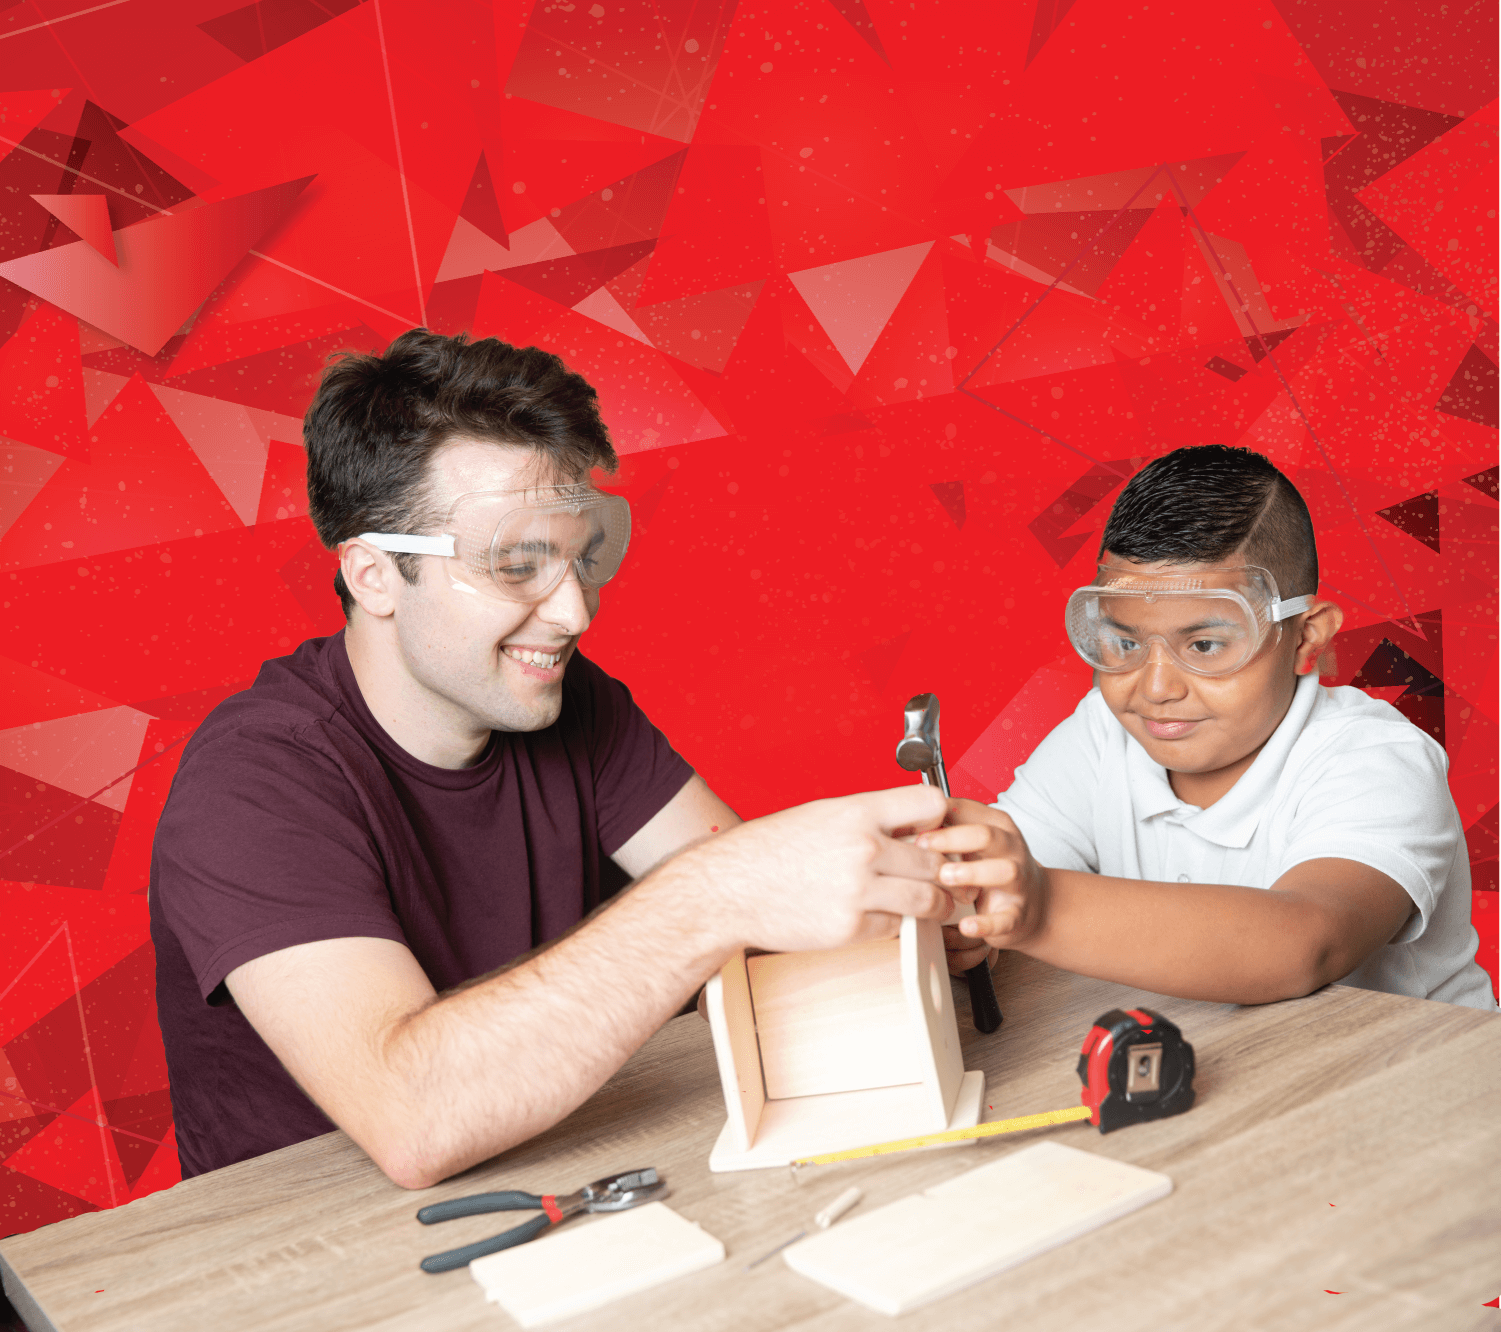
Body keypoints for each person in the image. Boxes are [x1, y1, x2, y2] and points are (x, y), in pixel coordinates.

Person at [150, 330, 959, 1190]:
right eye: (515, 566)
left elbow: (765, 943)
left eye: (579, 557)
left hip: (567, 1176)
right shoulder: (249, 785)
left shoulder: (568, 701)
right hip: (313, 1246)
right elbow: (415, 1116)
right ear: (374, 575)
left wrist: (922, 913)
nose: (573, 613)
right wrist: (712, 896)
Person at [928, 445, 1494, 1010]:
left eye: (1203, 645)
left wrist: (1040, 907)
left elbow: (1307, 944)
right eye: (1125, 642)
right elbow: (1005, 884)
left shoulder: (1377, 758)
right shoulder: (1103, 733)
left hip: (1410, 1060)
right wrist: (972, 916)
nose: (1155, 687)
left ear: (1307, 637)